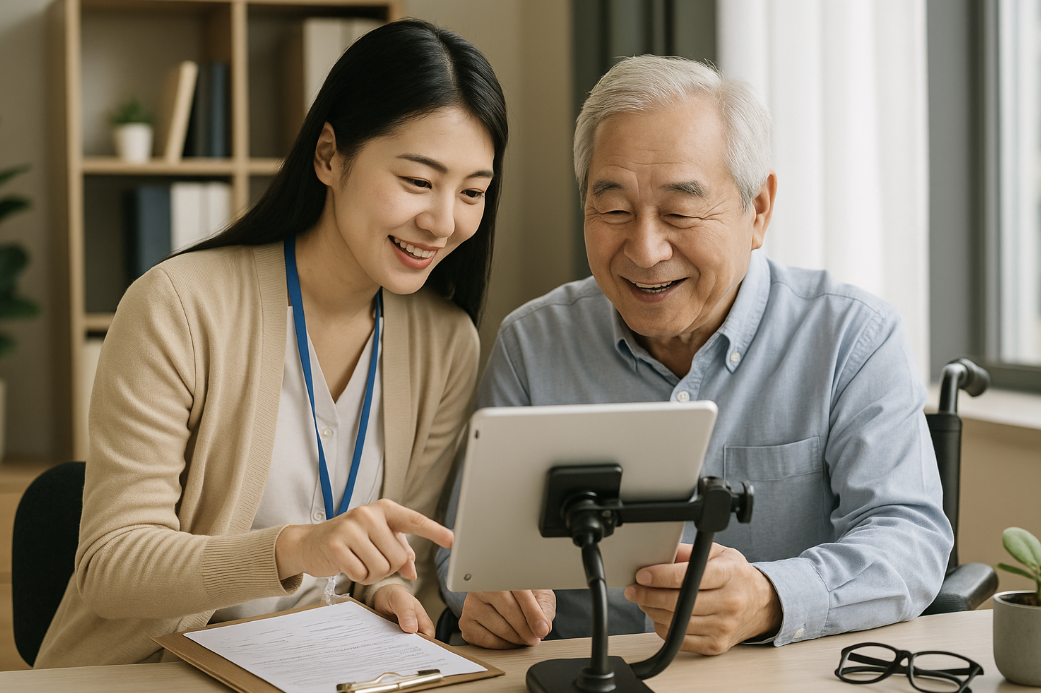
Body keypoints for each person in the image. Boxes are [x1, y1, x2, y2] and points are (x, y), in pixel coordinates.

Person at [437, 55, 952, 655]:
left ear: (757, 210)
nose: (647, 249)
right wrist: (487, 600)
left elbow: (908, 540)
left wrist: (769, 596)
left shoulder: (852, 339)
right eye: (614, 209)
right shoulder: (532, 344)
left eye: (680, 212)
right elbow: (462, 550)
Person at [35, 19, 508, 668]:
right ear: (328, 157)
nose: (444, 220)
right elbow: (111, 565)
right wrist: (293, 549)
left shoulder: (444, 340)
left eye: (473, 192)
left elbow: (397, 562)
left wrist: (389, 588)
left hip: (322, 671)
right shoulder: (178, 305)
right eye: (418, 181)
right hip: (148, 674)